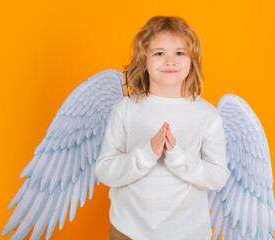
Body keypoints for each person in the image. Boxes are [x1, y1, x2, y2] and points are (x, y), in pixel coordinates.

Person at [95, 15, 231, 240]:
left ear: (191, 61)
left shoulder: (207, 115)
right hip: (128, 232)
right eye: (159, 53)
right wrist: (147, 154)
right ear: (144, 60)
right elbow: (105, 170)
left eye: (179, 53)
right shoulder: (125, 109)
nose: (170, 60)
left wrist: (178, 158)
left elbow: (218, 176)